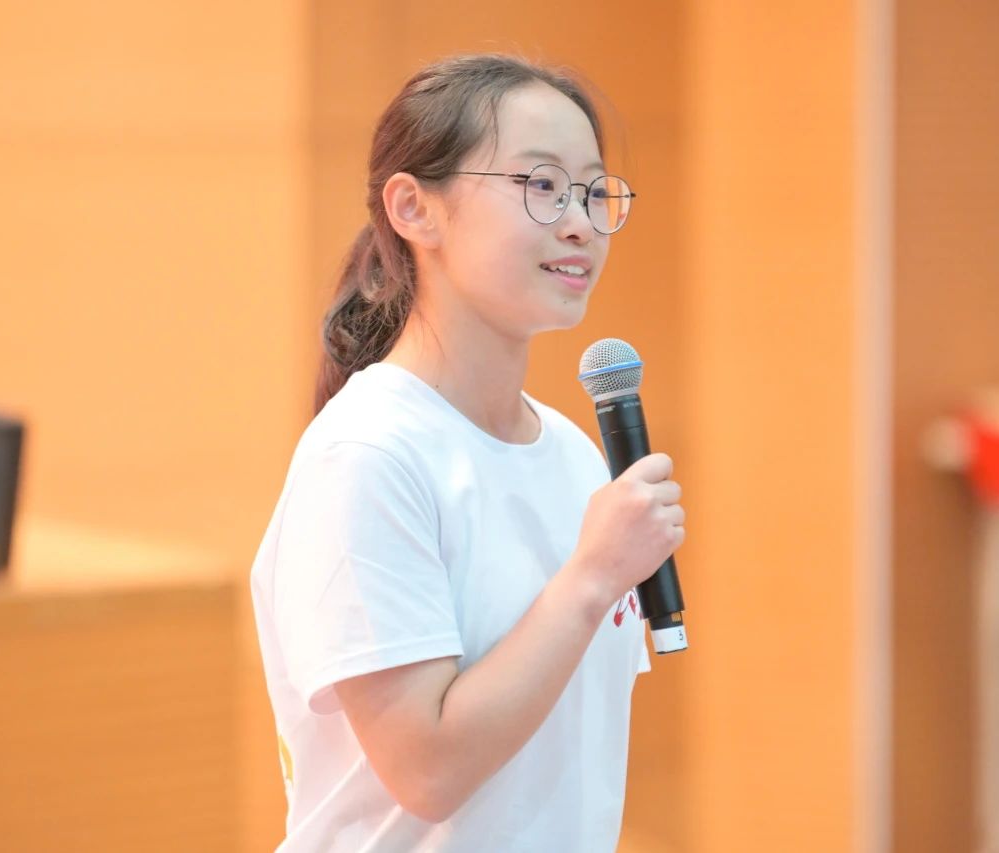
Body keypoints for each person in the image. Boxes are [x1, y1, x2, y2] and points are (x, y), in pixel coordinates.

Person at [249, 53, 686, 852]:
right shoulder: (367, 454)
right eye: (542, 184)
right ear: (414, 208)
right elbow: (428, 771)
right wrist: (592, 577)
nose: (580, 223)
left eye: (593, 191)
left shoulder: (573, 454)